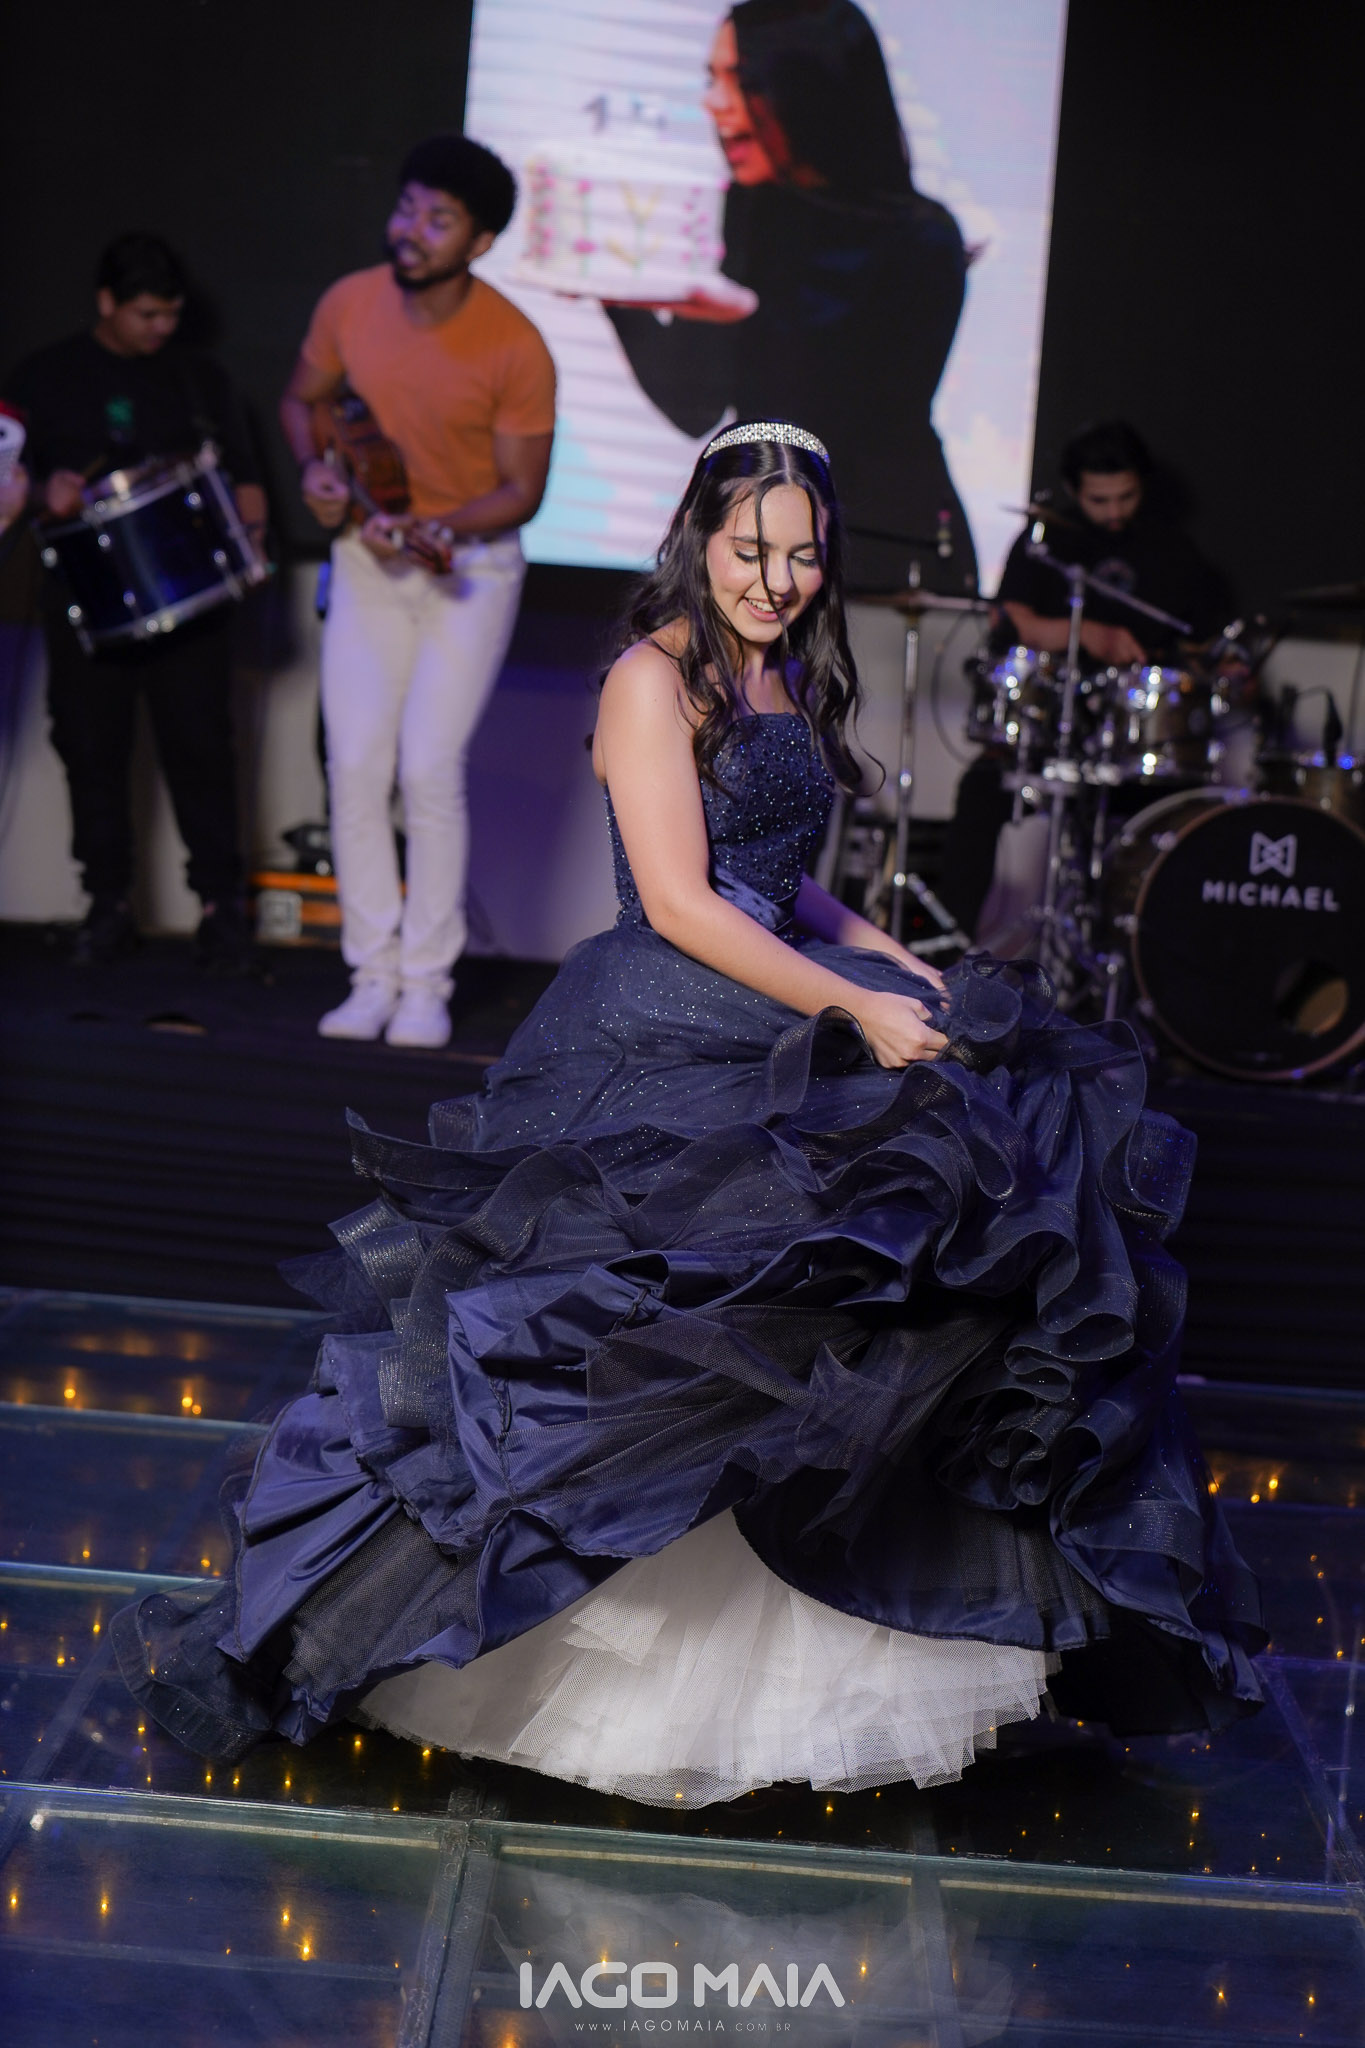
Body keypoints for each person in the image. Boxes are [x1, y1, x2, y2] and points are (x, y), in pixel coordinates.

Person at [113, 423, 1262, 1807]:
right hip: (665, 1010)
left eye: (801, 555)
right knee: (673, 1322)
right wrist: (848, 1006)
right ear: (697, 539)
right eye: (748, 550)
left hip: (769, 974)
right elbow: (675, 899)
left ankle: (837, 1652)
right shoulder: (648, 676)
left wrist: (886, 954)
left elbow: (776, 875)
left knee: (977, 1179)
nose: (775, 579)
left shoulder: (783, 673)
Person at [281, 134, 556, 1050]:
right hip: (369, 560)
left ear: (479, 242)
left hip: (468, 571)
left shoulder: (515, 343)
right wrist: (316, 470)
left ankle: (426, 985)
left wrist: (448, 527)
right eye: (407, 207)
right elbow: (301, 401)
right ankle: (371, 975)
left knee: (427, 769)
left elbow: (522, 490)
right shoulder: (350, 302)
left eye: (438, 219)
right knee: (355, 765)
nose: (411, 229)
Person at [600, 0, 977, 595]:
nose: (714, 103)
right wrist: (618, 289)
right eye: (712, 78)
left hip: (878, 544)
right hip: (757, 525)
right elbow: (695, 407)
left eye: (742, 81)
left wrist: (748, 314)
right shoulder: (750, 210)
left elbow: (864, 412)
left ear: (810, 91)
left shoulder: (922, 235)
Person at [3, 234, 266, 968]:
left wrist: (253, 543)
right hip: (85, 603)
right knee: (91, 752)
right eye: (146, 314)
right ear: (106, 302)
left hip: (193, 604)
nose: (161, 328)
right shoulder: (45, 376)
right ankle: (107, 905)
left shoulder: (200, 378)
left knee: (202, 750)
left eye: (170, 314)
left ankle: (220, 907)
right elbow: (7, 481)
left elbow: (243, 473)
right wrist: (44, 490)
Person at [938, 419, 1235, 939]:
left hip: (1134, 747)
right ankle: (947, 952)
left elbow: (1207, 650)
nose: (1115, 512)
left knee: (1180, 824)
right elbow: (1009, 620)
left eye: (1126, 496)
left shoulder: (1175, 552)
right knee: (982, 792)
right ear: (1075, 490)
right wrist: (1090, 636)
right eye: (1100, 500)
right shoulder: (1048, 538)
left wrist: (1230, 672)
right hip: (1049, 730)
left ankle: (1137, 959)